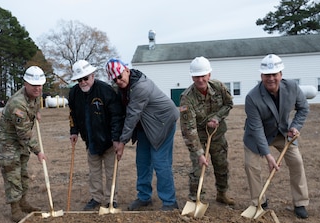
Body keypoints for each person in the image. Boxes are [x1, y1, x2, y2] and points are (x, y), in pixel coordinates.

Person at [105, 58, 179, 211]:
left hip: (162, 123)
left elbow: (132, 116)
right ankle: (144, 197)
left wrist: (122, 142)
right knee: (142, 161)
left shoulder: (140, 87)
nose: (118, 81)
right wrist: (117, 138)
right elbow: (123, 114)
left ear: (126, 70)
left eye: (120, 76)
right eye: (114, 79)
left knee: (160, 162)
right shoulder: (125, 88)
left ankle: (170, 202)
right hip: (146, 126)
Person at [243, 54, 310, 219]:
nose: (271, 78)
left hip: (282, 133)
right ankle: (259, 201)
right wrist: (268, 155)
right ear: (261, 76)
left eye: (274, 74)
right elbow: (257, 128)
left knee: (297, 162)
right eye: (267, 75)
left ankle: (300, 203)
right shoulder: (252, 97)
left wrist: (294, 127)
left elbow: (303, 108)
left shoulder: (292, 87)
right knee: (251, 166)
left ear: (281, 74)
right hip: (257, 136)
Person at [68, 60, 124, 211]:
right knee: (94, 172)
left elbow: (117, 116)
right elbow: (72, 114)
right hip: (91, 140)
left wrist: (116, 138)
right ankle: (96, 198)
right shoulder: (74, 93)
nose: (83, 82)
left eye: (86, 78)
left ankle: (112, 198)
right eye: (79, 80)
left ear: (92, 75)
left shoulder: (106, 90)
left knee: (111, 171)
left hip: (108, 140)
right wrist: (74, 131)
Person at [0, 66, 47, 222]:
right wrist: (38, 151)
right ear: (25, 83)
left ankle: (23, 202)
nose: (37, 88)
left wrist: (36, 112)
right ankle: (15, 209)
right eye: (33, 85)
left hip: (20, 138)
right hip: (7, 139)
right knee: (12, 173)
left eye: (39, 85)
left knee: (23, 172)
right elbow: (24, 134)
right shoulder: (18, 104)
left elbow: (36, 103)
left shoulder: (36, 94)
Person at [179, 56, 235, 206]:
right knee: (198, 169)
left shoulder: (218, 87)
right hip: (197, 138)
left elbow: (229, 104)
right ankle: (196, 199)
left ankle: (222, 194)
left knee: (221, 166)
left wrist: (217, 117)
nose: (200, 80)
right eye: (197, 76)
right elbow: (188, 128)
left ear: (209, 75)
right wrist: (199, 153)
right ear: (192, 77)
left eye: (203, 76)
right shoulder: (187, 98)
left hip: (217, 135)